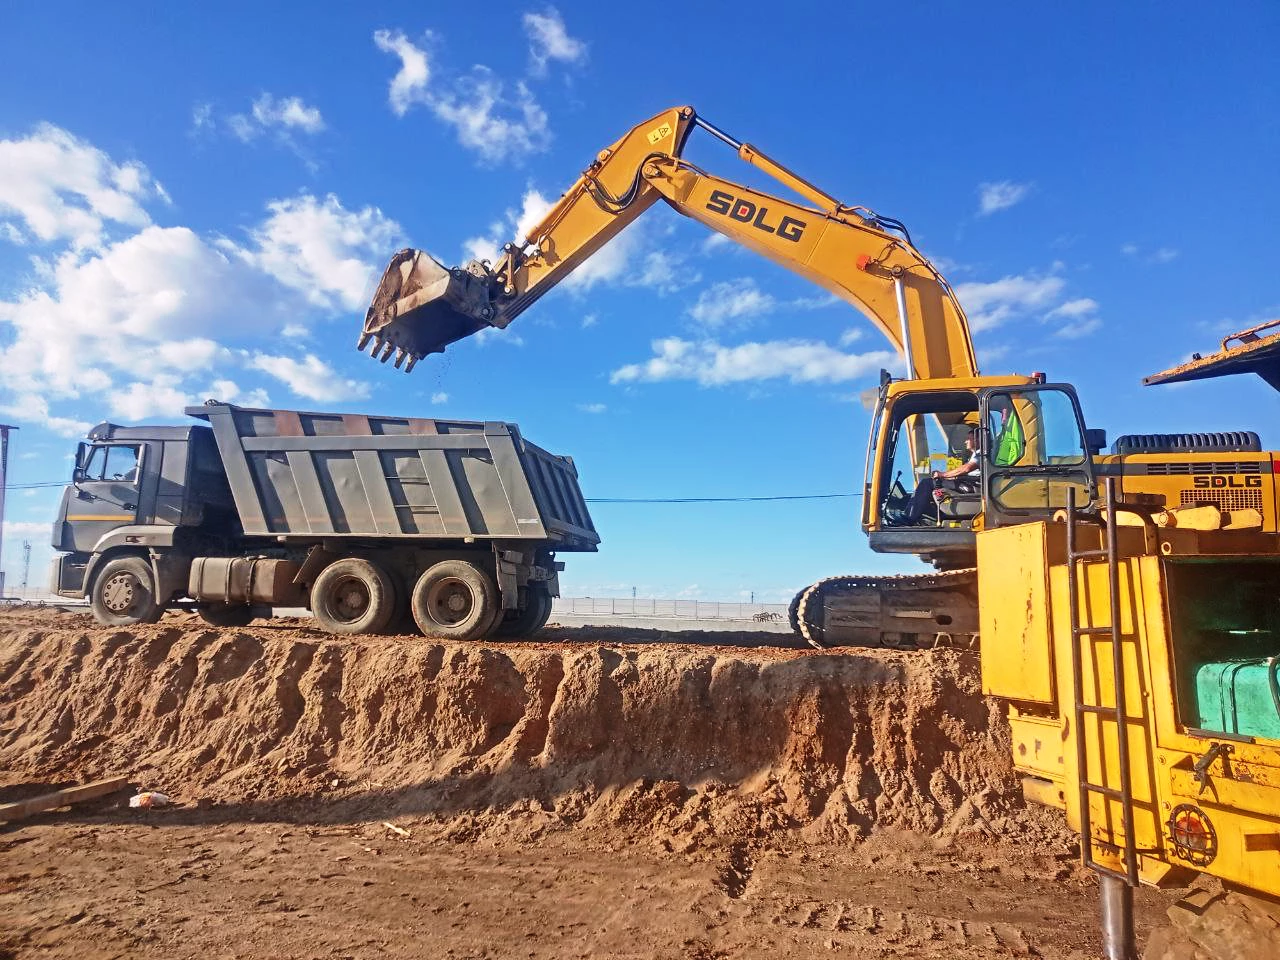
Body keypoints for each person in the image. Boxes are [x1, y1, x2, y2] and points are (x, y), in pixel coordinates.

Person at [902, 426, 982, 525]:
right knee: (930, 491)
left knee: (927, 483)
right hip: (968, 483)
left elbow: (966, 469)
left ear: (978, 440)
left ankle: (909, 517)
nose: (965, 442)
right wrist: (948, 476)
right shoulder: (975, 455)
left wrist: (942, 475)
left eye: (968, 439)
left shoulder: (982, 453)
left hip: (972, 486)